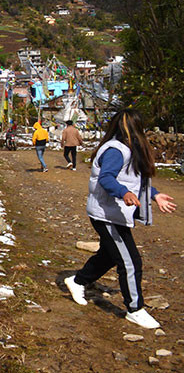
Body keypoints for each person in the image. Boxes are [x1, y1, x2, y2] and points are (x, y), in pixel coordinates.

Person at [64, 110, 176, 329]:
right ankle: (135, 309)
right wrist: (123, 193)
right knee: (130, 261)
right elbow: (107, 178)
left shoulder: (126, 150)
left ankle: (78, 281)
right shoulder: (117, 150)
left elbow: (132, 181)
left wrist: (154, 194)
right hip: (106, 215)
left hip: (113, 213)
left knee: (110, 254)